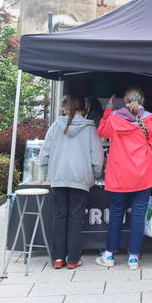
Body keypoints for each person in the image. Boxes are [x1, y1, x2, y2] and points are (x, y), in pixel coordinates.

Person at [95, 88, 152, 270]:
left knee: (116, 212)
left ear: (124, 99)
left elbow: (102, 132)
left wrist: (109, 108)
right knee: (139, 214)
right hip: (144, 173)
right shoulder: (148, 119)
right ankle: (133, 258)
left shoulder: (115, 118)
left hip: (120, 174)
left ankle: (109, 255)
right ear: (143, 100)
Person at [39, 94, 104, 270]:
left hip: (58, 178)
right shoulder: (89, 128)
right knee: (76, 218)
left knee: (59, 217)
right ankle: (73, 259)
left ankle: (57, 259)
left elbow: (43, 155)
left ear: (64, 108)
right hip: (81, 179)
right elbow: (98, 158)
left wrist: (49, 174)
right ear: (84, 108)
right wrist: (95, 175)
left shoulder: (54, 126)